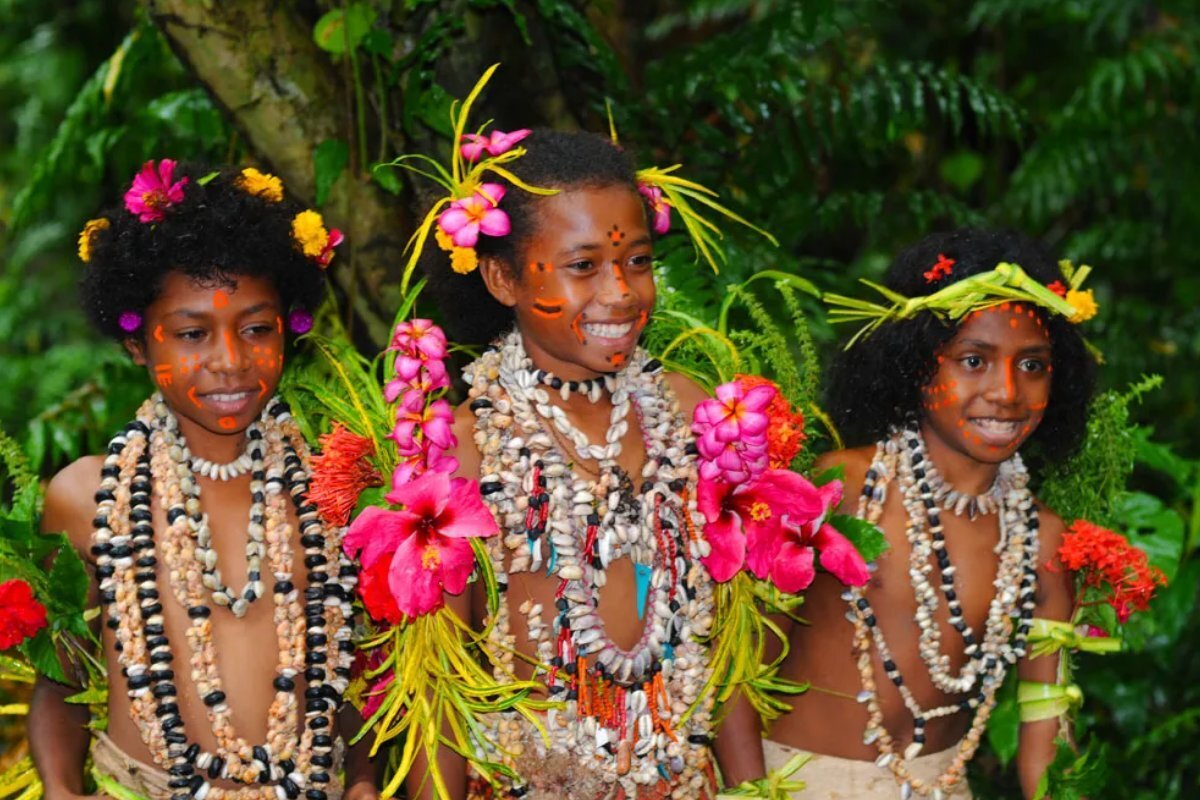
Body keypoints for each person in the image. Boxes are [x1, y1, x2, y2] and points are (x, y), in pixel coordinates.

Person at [391, 127, 768, 798]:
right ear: (503, 277)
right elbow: (440, 687)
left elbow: (724, 649)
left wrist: (753, 788)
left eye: (639, 261)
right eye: (585, 266)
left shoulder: (688, 415)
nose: (621, 293)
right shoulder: (464, 449)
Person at [32, 160, 378, 800]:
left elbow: (347, 674)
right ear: (138, 343)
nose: (230, 361)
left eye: (256, 329)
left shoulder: (332, 490)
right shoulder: (87, 498)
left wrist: (360, 778)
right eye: (192, 333)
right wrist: (59, 787)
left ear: (289, 327)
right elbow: (64, 675)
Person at [764, 228, 1098, 798]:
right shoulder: (842, 487)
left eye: (1034, 366)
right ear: (916, 368)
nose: (1007, 391)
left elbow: (1047, 745)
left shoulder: (1041, 540)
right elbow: (739, 675)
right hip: (788, 783)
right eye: (974, 360)